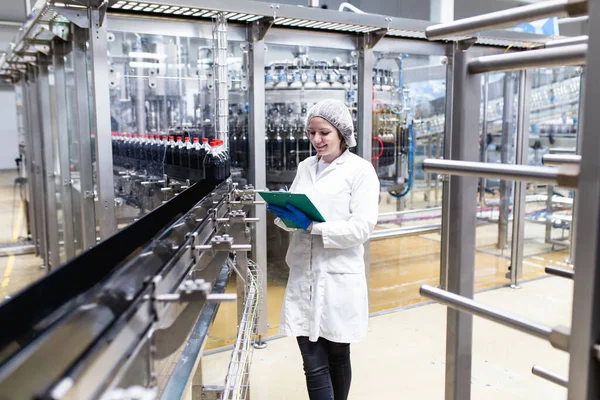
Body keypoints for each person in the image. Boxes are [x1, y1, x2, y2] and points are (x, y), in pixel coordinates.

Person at [266, 99, 380, 400]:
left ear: (342, 133)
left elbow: (362, 228)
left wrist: (314, 227)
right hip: (304, 272)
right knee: (313, 361)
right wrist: (285, 214)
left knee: (338, 354)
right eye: (312, 133)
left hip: (338, 275)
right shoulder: (305, 167)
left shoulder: (361, 171)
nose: (316, 140)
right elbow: (295, 215)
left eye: (324, 133)